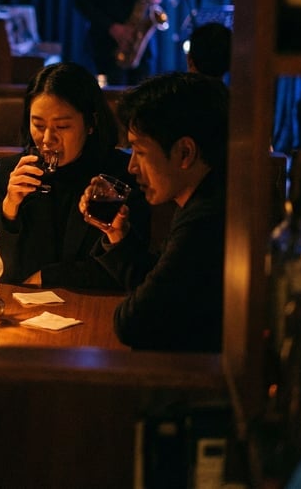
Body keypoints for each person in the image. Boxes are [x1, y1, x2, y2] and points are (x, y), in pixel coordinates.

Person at [80, 72, 229, 352]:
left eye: (140, 151)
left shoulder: (206, 219)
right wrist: (118, 234)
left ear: (185, 152)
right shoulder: (204, 199)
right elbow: (156, 288)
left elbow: (135, 321)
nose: (131, 167)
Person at [0, 62, 151, 289]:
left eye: (62, 127)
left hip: (93, 304)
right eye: (38, 125)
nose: (47, 139)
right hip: (21, 303)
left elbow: (133, 270)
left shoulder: (122, 175)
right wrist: (9, 209)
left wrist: (50, 277)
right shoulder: (11, 173)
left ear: (91, 123)